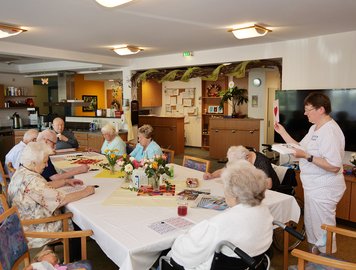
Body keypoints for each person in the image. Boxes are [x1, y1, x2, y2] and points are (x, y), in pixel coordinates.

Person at [274, 92, 345, 254]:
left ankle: (326, 264)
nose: (305, 113)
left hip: (324, 188)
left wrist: (307, 156)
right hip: (313, 187)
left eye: (308, 110)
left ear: (321, 109)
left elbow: (334, 166)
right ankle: (315, 262)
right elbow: (300, 148)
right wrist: (282, 133)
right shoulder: (314, 128)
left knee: (323, 229)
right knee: (312, 227)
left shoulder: (330, 131)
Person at [169, 160, 273, 270]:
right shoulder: (265, 211)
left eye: (226, 188)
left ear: (234, 194)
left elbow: (182, 255)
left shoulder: (218, 224)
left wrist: (181, 238)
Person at [7, 141, 95, 249]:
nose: (47, 165)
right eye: (44, 162)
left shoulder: (22, 171)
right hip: (35, 229)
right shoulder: (33, 181)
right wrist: (86, 191)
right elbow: (60, 200)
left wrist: (65, 181)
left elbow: (42, 187)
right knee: (75, 218)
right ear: (34, 163)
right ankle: (73, 258)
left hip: (23, 224)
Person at [203, 145, 279, 190]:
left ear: (247, 157)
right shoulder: (237, 156)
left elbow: (269, 184)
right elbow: (225, 170)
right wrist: (212, 175)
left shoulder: (261, 161)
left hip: (272, 192)